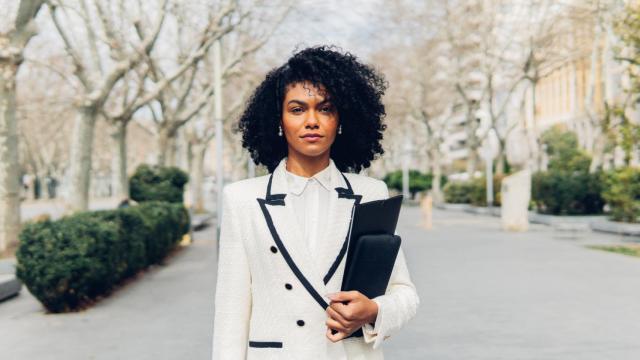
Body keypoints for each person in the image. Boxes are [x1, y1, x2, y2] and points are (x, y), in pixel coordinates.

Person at [212, 45, 419, 360]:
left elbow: (404, 294)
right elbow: (231, 312)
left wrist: (374, 310)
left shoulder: (370, 193)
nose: (312, 121)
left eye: (325, 109)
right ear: (278, 121)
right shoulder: (242, 200)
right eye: (297, 109)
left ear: (341, 119)